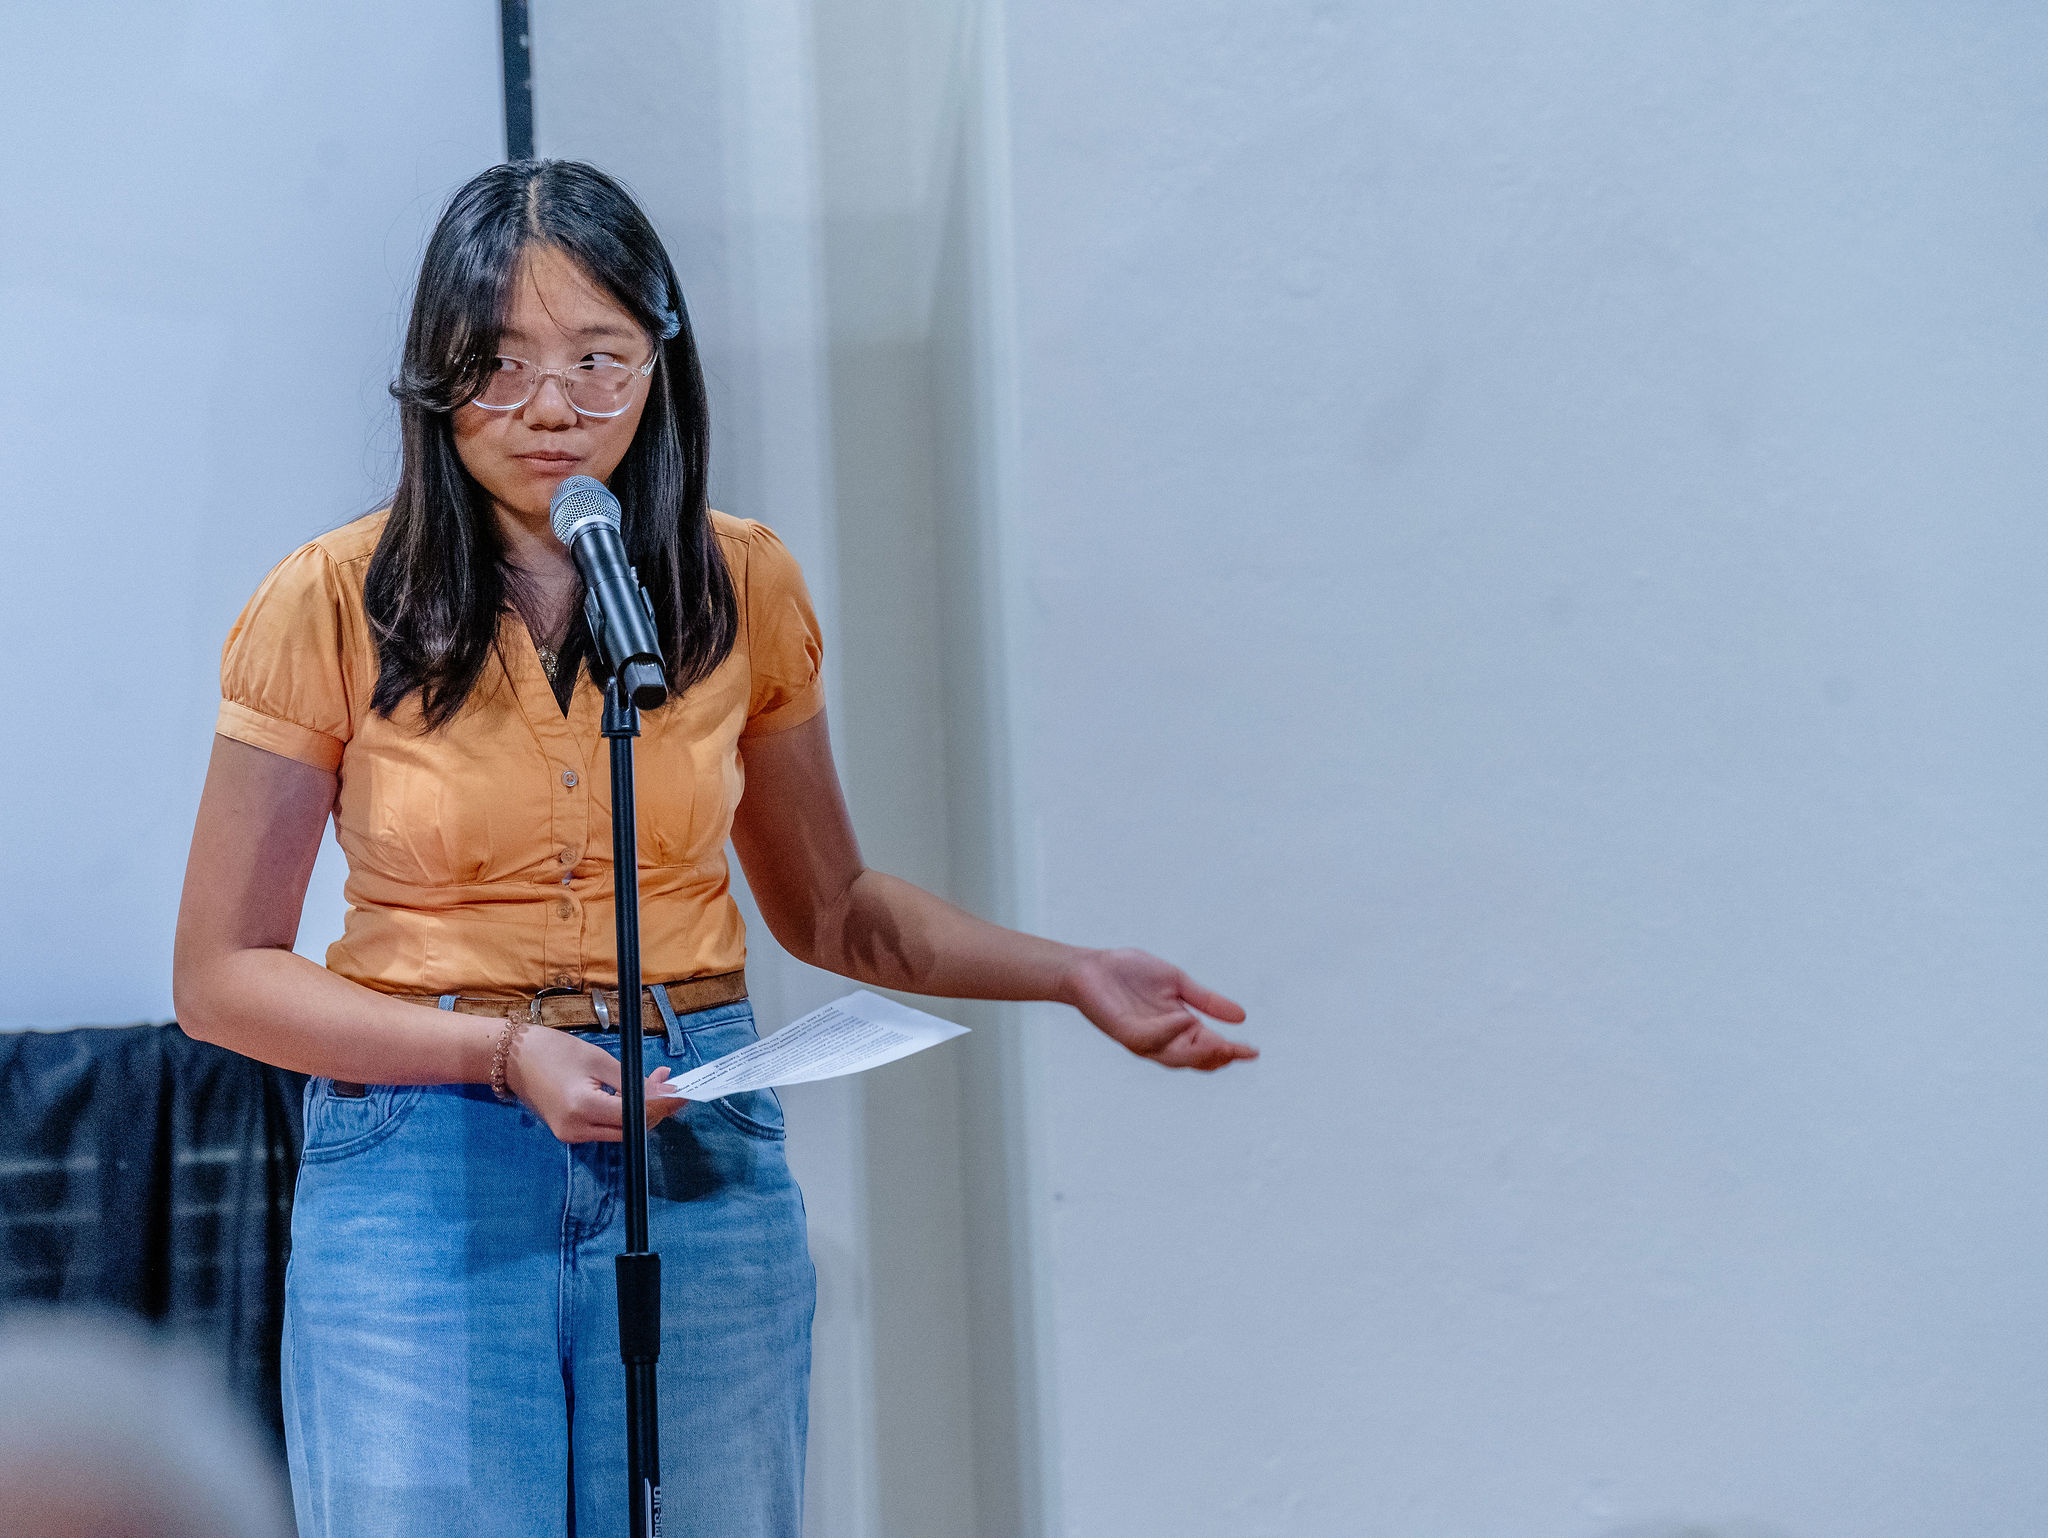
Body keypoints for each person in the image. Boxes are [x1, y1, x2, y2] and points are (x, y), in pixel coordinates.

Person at [172, 159, 1255, 1538]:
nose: (551, 408)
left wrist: (1073, 972)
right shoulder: (330, 598)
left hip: (691, 1129)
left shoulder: (741, 584)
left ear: (658, 366)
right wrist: (502, 1055)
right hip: (421, 1161)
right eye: (498, 365)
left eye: (596, 360)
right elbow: (218, 974)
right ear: (434, 378)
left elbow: (840, 910)